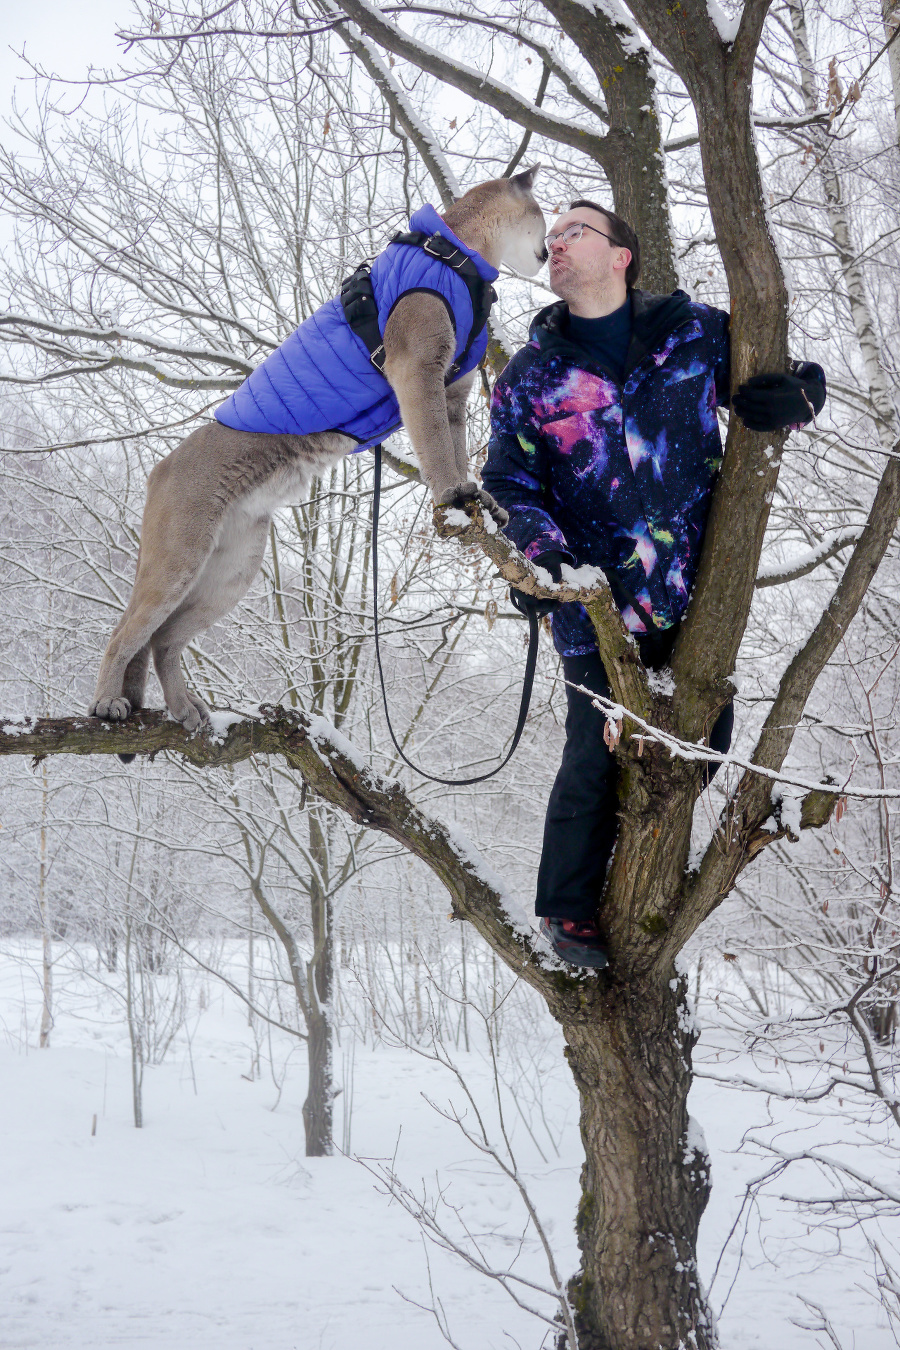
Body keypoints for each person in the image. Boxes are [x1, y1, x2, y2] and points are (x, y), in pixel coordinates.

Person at [481, 201, 827, 969]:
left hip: (692, 589)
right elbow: (507, 480)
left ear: (621, 256)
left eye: (576, 231)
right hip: (593, 601)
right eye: (554, 237)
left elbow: (772, 374)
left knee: (708, 739)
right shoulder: (534, 373)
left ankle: (639, 863)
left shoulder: (693, 332)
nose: (558, 243)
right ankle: (566, 913)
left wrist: (803, 392)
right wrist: (544, 562)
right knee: (591, 752)